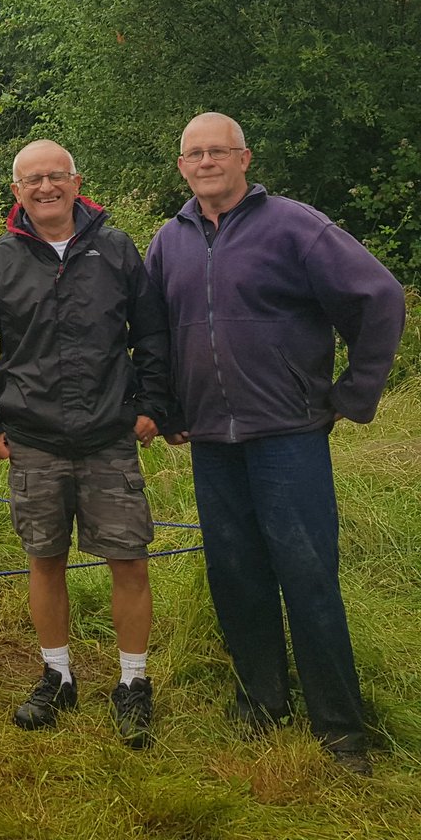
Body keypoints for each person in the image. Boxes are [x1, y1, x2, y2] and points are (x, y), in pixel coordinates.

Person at [145, 112, 405, 774]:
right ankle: (261, 706)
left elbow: (379, 297)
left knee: (309, 578)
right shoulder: (167, 244)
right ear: (181, 166)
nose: (206, 163)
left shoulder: (294, 226)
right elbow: (154, 335)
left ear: (244, 159)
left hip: (289, 437)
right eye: (194, 154)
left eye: (218, 152)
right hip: (211, 442)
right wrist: (168, 405)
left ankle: (341, 731)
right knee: (236, 579)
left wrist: (352, 395)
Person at [0, 141, 170, 749]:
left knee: (129, 560)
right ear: (15, 191)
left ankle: (133, 682)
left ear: (77, 182)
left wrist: (152, 405)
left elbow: (151, 333)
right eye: (33, 180)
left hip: (109, 437)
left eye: (56, 177)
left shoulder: (117, 249)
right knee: (45, 560)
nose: (45, 187)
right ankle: (57, 674)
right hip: (33, 439)